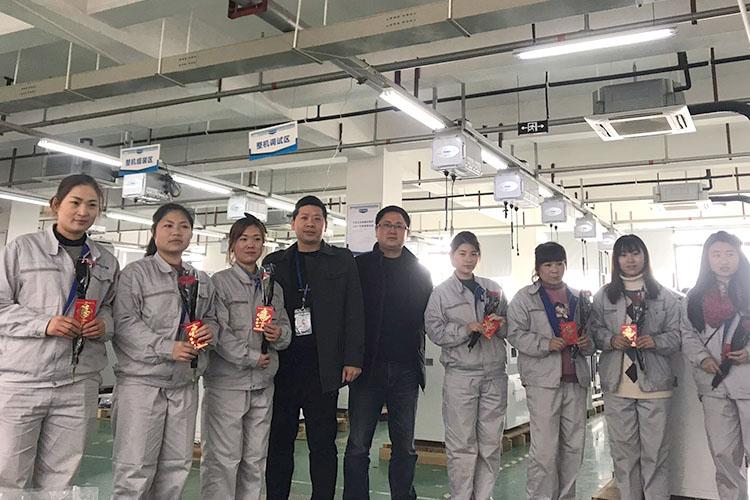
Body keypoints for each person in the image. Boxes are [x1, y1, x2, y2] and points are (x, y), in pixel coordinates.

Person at [0, 174, 118, 489]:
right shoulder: (22, 249)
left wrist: (103, 324)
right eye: (75, 202)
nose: (83, 211)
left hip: (78, 382)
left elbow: (110, 307)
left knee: (61, 477)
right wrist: (44, 324)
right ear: (56, 205)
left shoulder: (105, 261)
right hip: (24, 379)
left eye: (92, 205)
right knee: (8, 473)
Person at [111, 203, 219, 500]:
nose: (176, 232)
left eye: (184, 226)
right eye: (168, 225)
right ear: (154, 231)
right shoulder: (135, 275)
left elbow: (212, 317)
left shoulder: (200, 279)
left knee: (176, 467)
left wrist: (211, 331)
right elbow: (125, 323)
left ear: (191, 234)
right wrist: (167, 348)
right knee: (135, 469)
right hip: (142, 385)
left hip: (184, 384)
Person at [264, 195, 365, 500]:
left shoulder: (342, 260)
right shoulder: (275, 262)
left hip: (324, 367)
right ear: (293, 223)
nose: (310, 224)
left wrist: (352, 358)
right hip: (283, 366)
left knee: (322, 444)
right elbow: (263, 309)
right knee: (279, 442)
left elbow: (354, 310)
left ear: (325, 224)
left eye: (317, 218)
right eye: (304, 218)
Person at [343, 206, 433, 500]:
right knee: (358, 445)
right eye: (386, 225)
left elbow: (431, 317)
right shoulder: (360, 267)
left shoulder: (420, 271)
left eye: (399, 226)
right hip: (366, 368)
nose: (392, 230)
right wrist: (350, 357)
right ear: (377, 230)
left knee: (404, 447)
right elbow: (348, 315)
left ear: (407, 232)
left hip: (406, 370)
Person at [201, 214, 292, 500]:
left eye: (257, 239)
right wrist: (251, 357)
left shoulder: (272, 287)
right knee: (223, 460)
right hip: (227, 384)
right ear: (232, 245)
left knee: (255, 460)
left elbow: (286, 329)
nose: (251, 245)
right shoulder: (219, 284)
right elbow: (218, 332)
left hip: (263, 385)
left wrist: (279, 334)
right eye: (243, 239)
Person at [590, 234, 681, 500]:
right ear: (616, 260)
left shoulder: (663, 296)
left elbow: (678, 335)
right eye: (624, 254)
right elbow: (593, 331)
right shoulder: (604, 296)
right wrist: (610, 339)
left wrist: (656, 341)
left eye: (635, 253)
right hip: (617, 385)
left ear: (645, 256)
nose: (630, 260)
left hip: (655, 385)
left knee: (656, 453)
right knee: (624, 454)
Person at [507, 242, 595, 500]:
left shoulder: (578, 298)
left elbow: (592, 334)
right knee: (544, 450)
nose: (554, 270)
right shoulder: (525, 298)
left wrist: (588, 343)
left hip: (575, 380)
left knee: (573, 448)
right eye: (548, 265)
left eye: (559, 264)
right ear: (538, 268)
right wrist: (545, 344)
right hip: (542, 382)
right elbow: (515, 334)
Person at [424, 231, 509, 500]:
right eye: (462, 253)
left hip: (494, 374)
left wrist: (501, 325)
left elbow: (510, 327)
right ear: (452, 257)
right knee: (462, 444)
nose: (468, 259)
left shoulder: (493, 289)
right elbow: (434, 330)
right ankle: (462, 496)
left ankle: (483, 496)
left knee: (490, 443)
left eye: (473, 253)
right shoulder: (441, 293)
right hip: (461, 376)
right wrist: (465, 329)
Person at [682, 231, 750, 500]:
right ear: (707, 259)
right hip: (714, 385)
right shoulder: (694, 297)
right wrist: (703, 359)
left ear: (739, 256)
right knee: (723, 454)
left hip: (747, 382)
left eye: (730, 254)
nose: (724, 260)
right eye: (717, 254)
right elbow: (687, 334)